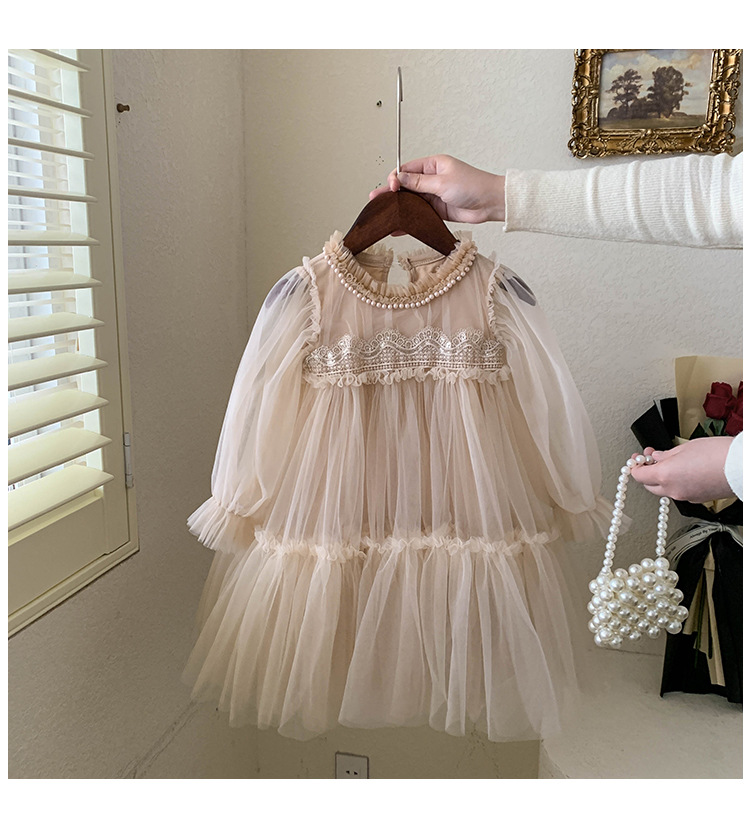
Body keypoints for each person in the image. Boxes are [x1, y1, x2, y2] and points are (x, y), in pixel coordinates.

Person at [370, 152, 743, 503]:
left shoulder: (486, 288)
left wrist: (734, 466)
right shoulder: (324, 294)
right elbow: (722, 194)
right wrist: (499, 195)